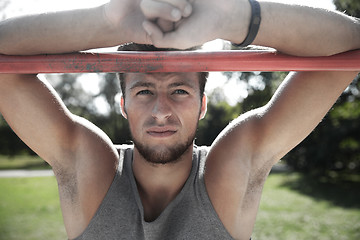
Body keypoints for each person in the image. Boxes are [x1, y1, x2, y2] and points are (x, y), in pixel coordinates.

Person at [0, 0, 359, 239]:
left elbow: (349, 47)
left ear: (202, 104)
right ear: (123, 104)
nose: (160, 111)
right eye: (143, 91)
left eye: (179, 91)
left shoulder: (225, 173)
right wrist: (112, 23)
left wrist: (232, 18)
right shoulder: (91, 167)